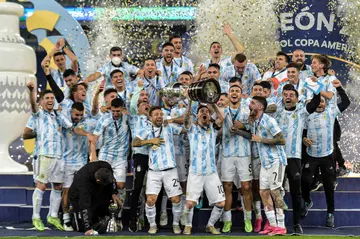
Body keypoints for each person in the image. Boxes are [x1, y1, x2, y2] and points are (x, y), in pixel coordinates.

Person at [27, 82, 94, 232]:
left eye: (52, 98)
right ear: (42, 101)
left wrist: (87, 134)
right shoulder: (39, 114)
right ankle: (36, 217)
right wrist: (31, 91)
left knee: (57, 186)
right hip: (44, 154)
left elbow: (72, 128)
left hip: (59, 157)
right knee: (41, 185)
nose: (50, 100)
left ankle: (52, 216)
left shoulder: (58, 115)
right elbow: (32, 105)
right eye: (47, 98)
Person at [301, 80, 350, 228]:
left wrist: (339, 87)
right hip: (311, 155)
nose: (320, 104)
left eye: (323, 101)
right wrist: (303, 139)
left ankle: (330, 214)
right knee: (304, 182)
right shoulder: (306, 115)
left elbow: (346, 102)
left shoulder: (331, 112)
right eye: (318, 101)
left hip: (327, 156)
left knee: (329, 186)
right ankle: (308, 201)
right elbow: (300, 134)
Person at [275, 85, 321, 234]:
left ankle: (296, 224)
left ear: (296, 98)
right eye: (285, 95)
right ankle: (277, 224)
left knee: (296, 192)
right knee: (275, 192)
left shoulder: (301, 112)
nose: (288, 97)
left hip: (294, 157)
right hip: (277, 157)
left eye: (291, 95)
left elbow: (314, 103)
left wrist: (316, 88)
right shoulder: (276, 112)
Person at [132, 106, 184, 234]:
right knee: (150, 200)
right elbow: (134, 142)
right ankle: (153, 225)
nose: (159, 116)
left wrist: (171, 120)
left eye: (161, 114)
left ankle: (176, 224)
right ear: (150, 117)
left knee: (176, 199)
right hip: (154, 171)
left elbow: (185, 125)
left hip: (170, 170)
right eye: (156, 114)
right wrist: (150, 141)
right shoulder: (146, 129)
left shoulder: (169, 128)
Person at [182, 103, 225, 235]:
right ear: (197, 115)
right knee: (189, 203)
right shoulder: (191, 129)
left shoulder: (213, 129)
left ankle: (210, 225)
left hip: (211, 173)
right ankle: (188, 225)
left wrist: (211, 103)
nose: (204, 113)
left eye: (206, 111)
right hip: (195, 172)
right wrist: (189, 102)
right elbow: (185, 119)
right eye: (201, 111)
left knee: (221, 203)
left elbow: (221, 118)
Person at [248, 96, 287, 235]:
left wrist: (261, 140)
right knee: (263, 192)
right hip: (265, 162)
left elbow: (282, 140)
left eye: (252, 103)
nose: (249, 105)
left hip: (276, 161)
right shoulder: (255, 121)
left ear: (260, 107)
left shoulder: (269, 121)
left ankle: (281, 226)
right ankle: (272, 224)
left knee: (275, 191)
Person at [91, 98, 130, 230]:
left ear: (123, 109)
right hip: (105, 155)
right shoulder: (105, 119)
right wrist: (94, 155)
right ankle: (102, 215)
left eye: (118, 111)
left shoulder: (128, 118)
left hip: (120, 157)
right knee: (102, 185)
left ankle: (117, 215)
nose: (115, 114)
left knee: (120, 185)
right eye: (113, 111)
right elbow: (94, 138)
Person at [221, 85, 253, 233]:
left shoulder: (247, 112)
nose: (234, 93)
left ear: (241, 95)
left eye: (237, 91)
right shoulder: (222, 111)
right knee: (227, 187)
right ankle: (227, 221)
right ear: (228, 95)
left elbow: (253, 133)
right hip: (227, 154)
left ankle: (248, 219)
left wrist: (243, 127)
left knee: (246, 187)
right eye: (232, 91)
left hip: (243, 154)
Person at [61, 102, 98, 231]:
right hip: (67, 162)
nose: (78, 117)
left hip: (82, 163)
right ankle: (66, 220)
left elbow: (99, 119)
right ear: (71, 111)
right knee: (66, 191)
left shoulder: (88, 122)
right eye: (76, 114)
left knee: (85, 191)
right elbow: (76, 130)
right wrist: (87, 134)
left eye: (81, 115)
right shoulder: (65, 122)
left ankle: (85, 218)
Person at [69, 161, 121, 235]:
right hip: (77, 195)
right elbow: (84, 204)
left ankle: (99, 219)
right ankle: (75, 217)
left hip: (95, 192)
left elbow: (112, 181)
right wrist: (87, 228)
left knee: (105, 197)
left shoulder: (106, 167)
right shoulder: (84, 181)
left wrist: (113, 193)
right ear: (98, 180)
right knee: (81, 227)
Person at [128, 101, 151, 232]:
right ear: (137, 109)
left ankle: (149, 219)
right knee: (137, 187)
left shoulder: (153, 120)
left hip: (153, 157)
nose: (145, 105)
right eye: (142, 104)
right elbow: (130, 105)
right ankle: (133, 218)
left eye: (147, 103)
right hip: (139, 156)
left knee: (152, 189)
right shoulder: (134, 119)